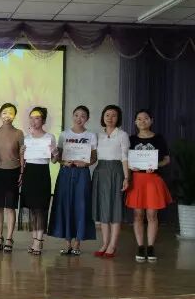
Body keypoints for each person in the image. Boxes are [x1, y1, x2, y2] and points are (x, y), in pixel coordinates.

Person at [48, 105, 97, 255]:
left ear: (87, 119)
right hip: (65, 173)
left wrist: (85, 164)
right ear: (72, 116)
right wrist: (63, 161)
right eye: (76, 115)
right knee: (66, 205)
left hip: (82, 174)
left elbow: (94, 157)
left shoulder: (91, 135)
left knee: (81, 205)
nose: (79, 118)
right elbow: (57, 158)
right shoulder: (64, 135)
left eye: (83, 116)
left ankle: (77, 244)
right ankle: (67, 243)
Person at [125, 109, 172, 262]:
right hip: (137, 180)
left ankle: (151, 247)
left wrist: (156, 165)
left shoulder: (159, 138)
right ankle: (140, 246)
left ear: (151, 120)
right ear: (135, 122)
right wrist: (130, 170)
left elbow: (167, 159)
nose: (142, 121)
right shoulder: (131, 139)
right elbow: (126, 159)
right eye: (139, 119)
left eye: (146, 118)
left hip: (153, 179)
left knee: (152, 215)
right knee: (138, 215)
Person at [92, 105, 130, 258]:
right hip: (100, 172)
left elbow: (125, 157)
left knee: (115, 209)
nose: (110, 118)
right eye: (107, 115)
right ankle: (105, 243)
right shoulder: (98, 135)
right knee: (103, 209)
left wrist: (126, 177)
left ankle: (112, 245)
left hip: (116, 172)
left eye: (114, 115)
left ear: (118, 118)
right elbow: (92, 155)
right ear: (103, 117)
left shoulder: (122, 135)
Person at [20, 107, 57, 256]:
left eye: (37, 118)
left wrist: (54, 152)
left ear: (43, 120)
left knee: (40, 208)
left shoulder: (49, 137)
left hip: (42, 173)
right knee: (32, 209)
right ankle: (35, 239)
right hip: (29, 173)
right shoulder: (26, 138)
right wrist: (21, 154)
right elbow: (24, 160)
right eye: (31, 118)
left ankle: (39, 241)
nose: (33, 121)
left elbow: (54, 160)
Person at [0, 103, 24, 252]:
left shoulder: (19, 133)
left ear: (14, 116)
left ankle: (9, 238)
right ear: (0, 115)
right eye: (4, 112)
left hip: (13, 172)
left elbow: (22, 155)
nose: (7, 115)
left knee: (10, 207)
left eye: (11, 113)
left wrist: (22, 172)